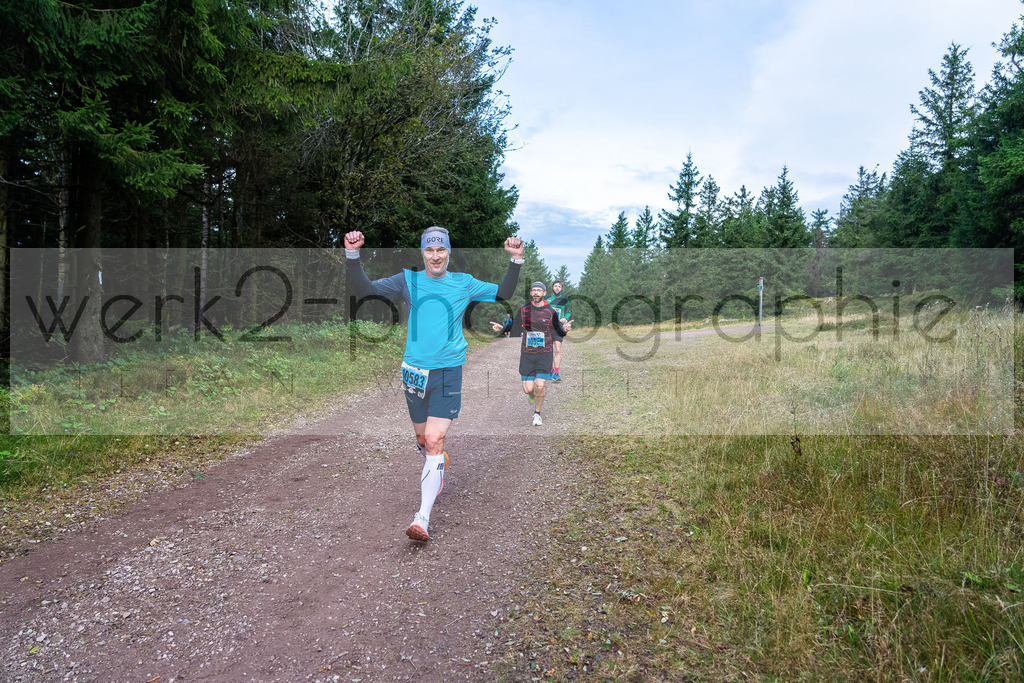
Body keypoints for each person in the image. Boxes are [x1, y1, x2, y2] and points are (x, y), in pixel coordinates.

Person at [345, 227, 524, 542]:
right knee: (421, 439)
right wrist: (352, 254)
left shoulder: (463, 283)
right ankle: (435, 460)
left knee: (433, 439)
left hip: (448, 371)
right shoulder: (408, 281)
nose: (436, 256)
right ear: (423, 253)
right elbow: (366, 290)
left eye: (441, 250)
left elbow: (504, 293)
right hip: (413, 371)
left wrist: (516, 260)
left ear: (448, 253)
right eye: (430, 251)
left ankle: (422, 517)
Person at [491, 282, 571, 426]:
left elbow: (557, 331)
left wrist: (564, 329)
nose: (536, 293)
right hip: (527, 355)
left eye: (539, 290)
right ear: (530, 293)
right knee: (528, 389)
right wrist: (503, 328)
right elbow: (515, 326)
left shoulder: (550, 311)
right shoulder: (524, 309)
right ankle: (533, 396)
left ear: (544, 293)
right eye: (533, 290)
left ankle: (537, 414)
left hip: (544, 354)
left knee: (540, 386)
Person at [545, 280, 571, 382]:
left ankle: (556, 373)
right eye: (555, 286)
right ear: (552, 288)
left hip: (559, 328)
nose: (557, 288)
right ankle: (550, 370)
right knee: (548, 350)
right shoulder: (546, 299)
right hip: (547, 327)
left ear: (561, 288)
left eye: (559, 286)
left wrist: (565, 319)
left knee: (557, 350)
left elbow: (568, 311)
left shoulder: (565, 300)